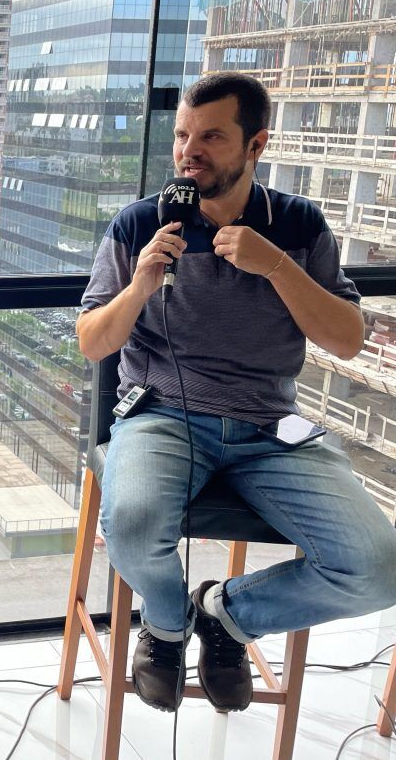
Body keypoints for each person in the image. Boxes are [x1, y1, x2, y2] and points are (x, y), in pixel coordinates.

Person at [78, 72, 396, 713]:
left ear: (255, 145)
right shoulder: (141, 221)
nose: (189, 151)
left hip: (270, 429)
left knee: (380, 565)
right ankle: (166, 627)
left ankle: (226, 615)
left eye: (212, 137)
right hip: (162, 414)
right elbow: (92, 341)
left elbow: (346, 339)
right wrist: (141, 284)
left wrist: (276, 263)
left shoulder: (300, 225)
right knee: (133, 524)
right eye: (182, 135)